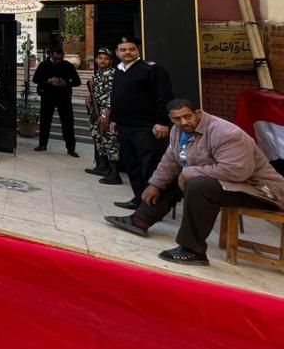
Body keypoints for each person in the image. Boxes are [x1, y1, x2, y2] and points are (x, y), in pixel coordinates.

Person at [105, 99, 284, 265]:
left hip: (262, 190)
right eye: (177, 119)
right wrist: (155, 185)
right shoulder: (177, 131)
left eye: (187, 116)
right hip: (231, 184)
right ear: (170, 119)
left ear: (198, 113)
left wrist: (189, 173)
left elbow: (237, 171)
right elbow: (170, 161)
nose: (183, 122)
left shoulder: (226, 133)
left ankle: (193, 250)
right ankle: (140, 220)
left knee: (199, 185)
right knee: (176, 176)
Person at [109, 36, 174, 210]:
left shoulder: (151, 70)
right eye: (123, 50)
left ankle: (153, 205)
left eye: (131, 49)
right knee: (132, 165)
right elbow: (116, 97)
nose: (127, 52)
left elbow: (164, 97)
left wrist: (162, 121)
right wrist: (114, 119)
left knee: (149, 166)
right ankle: (139, 199)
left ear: (138, 50)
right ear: (117, 53)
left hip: (146, 127)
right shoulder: (118, 71)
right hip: (124, 126)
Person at [32, 47, 81, 157]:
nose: (58, 61)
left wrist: (65, 83)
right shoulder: (44, 65)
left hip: (64, 97)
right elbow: (35, 79)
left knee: (68, 123)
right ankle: (42, 144)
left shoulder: (67, 65)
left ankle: (71, 148)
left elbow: (77, 81)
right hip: (47, 96)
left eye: (60, 58)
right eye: (55, 58)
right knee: (45, 121)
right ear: (50, 55)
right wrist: (48, 80)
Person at [86, 47, 121, 184]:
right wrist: (89, 98)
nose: (103, 61)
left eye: (106, 59)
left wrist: (107, 113)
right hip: (96, 111)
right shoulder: (97, 75)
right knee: (99, 138)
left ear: (111, 61)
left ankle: (115, 173)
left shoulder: (113, 75)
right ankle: (102, 167)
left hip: (107, 112)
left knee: (110, 141)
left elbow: (113, 96)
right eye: (100, 58)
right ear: (96, 60)